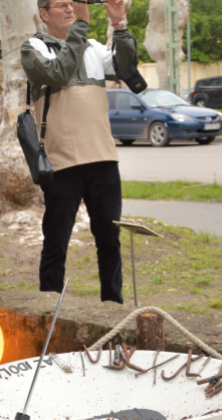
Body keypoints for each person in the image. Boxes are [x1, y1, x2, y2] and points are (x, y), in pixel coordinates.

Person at [20, 0, 135, 303]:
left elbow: (125, 67)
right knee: (56, 243)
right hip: (62, 163)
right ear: (43, 14)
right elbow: (59, 72)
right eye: (62, 5)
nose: (71, 10)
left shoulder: (93, 47)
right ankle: (49, 310)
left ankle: (112, 308)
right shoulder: (33, 48)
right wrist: (82, 28)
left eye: (74, 5)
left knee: (109, 240)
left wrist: (119, 24)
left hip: (104, 159)